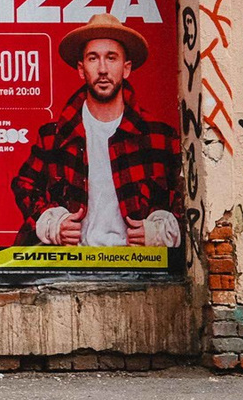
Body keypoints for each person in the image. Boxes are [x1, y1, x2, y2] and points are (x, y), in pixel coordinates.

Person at [11, 14, 182, 251]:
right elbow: (24, 185)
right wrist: (52, 222)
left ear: (126, 68)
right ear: (82, 69)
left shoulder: (160, 137)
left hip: (141, 271)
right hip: (72, 270)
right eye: (93, 58)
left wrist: (163, 231)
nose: (102, 69)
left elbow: (192, 200)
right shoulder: (54, 137)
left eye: (111, 58)